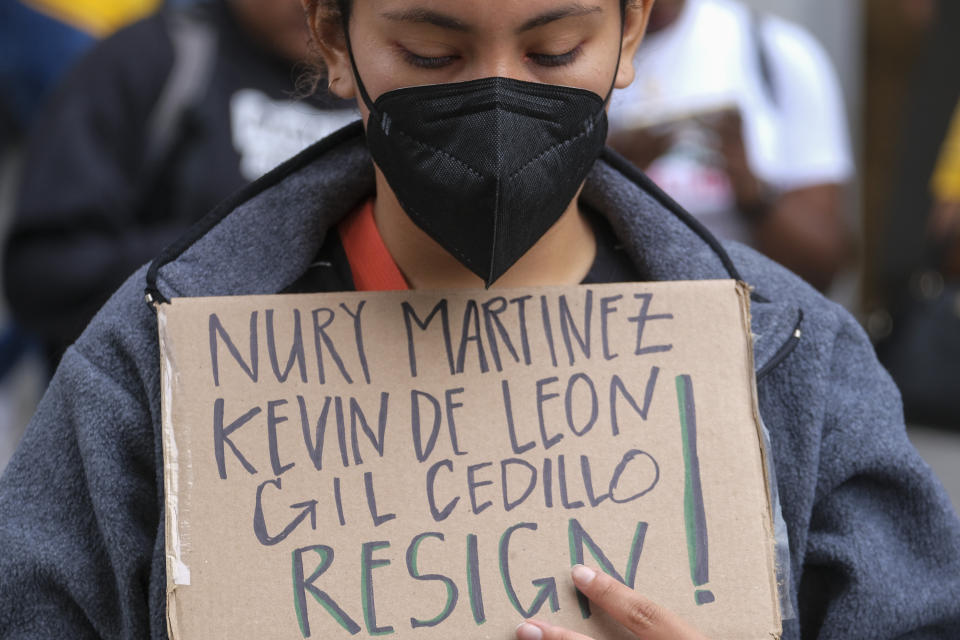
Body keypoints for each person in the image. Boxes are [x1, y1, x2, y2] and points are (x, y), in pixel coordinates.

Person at [0, 0, 959, 638]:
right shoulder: (150, 366)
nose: (499, 99)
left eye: (553, 50)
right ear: (334, 43)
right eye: (431, 52)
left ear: (631, 33)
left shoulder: (793, 362)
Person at [3, 0, 358, 373]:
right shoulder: (151, 60)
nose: (311, 6)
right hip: (163, 399)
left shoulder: (392, 80)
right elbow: (42, 272)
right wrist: (222, 258)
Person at [607, 0, 854, 292]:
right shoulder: (566, 53)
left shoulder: (774, 49)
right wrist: (610, 176)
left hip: (751, 320)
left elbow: (826, 262)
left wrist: (753, 192)